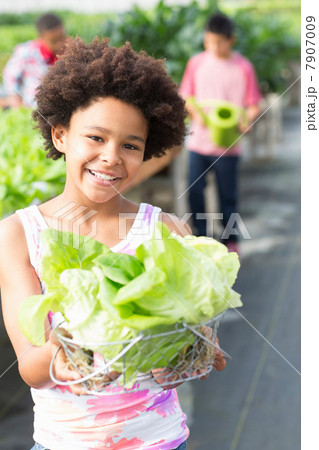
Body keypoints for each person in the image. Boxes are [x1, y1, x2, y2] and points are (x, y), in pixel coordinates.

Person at [0, 37, 226, 450]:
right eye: (96, 138)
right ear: (61, 135)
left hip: (161, 441)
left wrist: (194, 348)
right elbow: (31, 367)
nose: (111, 157)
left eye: (130, 145)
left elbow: (177, 356)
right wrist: (60, 352)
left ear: (148, 150)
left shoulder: (168, 230)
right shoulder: (18, 234)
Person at [179, 12, 262, 253]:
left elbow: (253, 102)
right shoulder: (196, 63)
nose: (213, 47)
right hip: (198, 143)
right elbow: (186, 95)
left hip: (229, 144)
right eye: (208, 42)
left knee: (228, 197)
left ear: (231, 40)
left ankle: (231, 241)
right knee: (194, 192)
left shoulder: (243, 67)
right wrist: (197, 114)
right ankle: (201, 239)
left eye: (218, 42)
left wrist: (248, 119)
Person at [2, 13, 66, 108]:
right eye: (53, 41)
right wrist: (15, 98)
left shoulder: (69, 51)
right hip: (31, 106)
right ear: (41, 37)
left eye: (61, 38)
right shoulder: (26, 52)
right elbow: (10, 77)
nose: (59, 45)